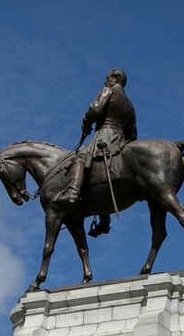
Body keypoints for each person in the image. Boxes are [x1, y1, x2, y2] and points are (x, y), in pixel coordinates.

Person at [58, 68, 138, 237]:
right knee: (101, 173)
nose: (105, 81)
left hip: (105, 134)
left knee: (80, 157)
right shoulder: (130, 105)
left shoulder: (108, 91)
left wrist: (86, 123)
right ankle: (104, 221)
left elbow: (95, 109)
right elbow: (133, 134)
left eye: (107, 78)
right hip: (120, 140)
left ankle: (73, 191)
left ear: (115, 79)